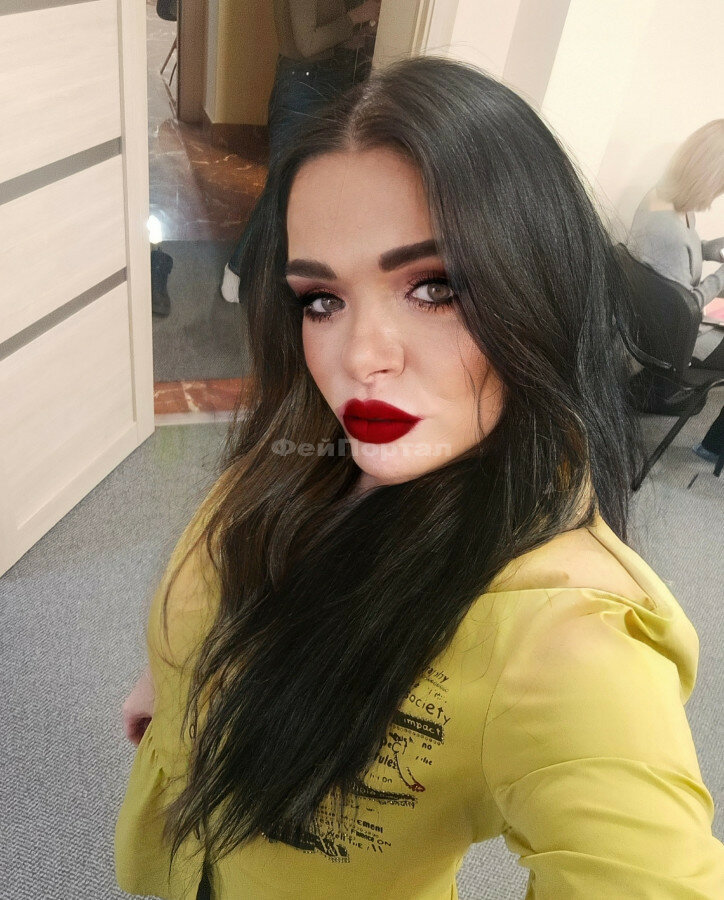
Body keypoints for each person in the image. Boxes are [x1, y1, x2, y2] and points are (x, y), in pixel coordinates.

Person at [116, 57, 724, 899]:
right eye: (322, 299)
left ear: (542, 290)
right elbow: (225, 568)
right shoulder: (309, 444)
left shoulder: (566, 633)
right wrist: (175, 672)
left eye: (434, 288)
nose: (359, 357)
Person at [220, 0, 381, 304]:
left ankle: (300, 272)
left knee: (325, 185)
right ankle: (238, 266)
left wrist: (360, 33)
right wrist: (359, 16)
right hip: (303, 85)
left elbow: (333, 34)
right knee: (284, 184)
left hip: (342, 80)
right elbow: (307, 43)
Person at [626, 120, 724, 460]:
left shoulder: (661, 199)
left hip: (652, 321)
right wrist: (721, 278)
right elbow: (687, 309)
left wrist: (710, 248)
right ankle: (713, 447)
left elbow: (678, 254)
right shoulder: (670, 231)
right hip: (674, 339)